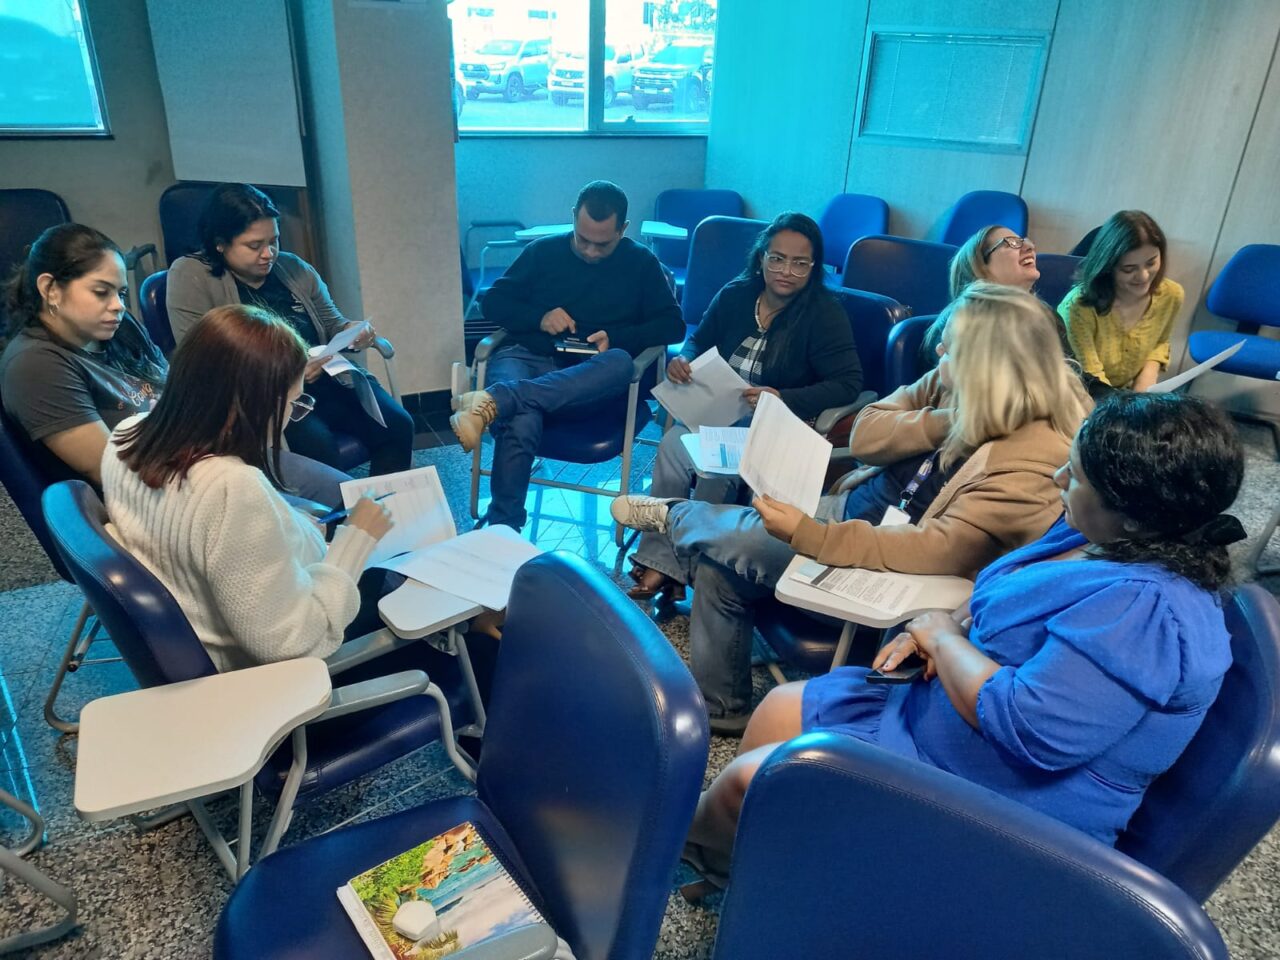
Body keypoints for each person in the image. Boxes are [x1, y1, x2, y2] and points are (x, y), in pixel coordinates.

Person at [682, 391, 1244, 883]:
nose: (1058, 479)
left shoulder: (1148, 612)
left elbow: (1031, 730)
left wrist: (942, 637)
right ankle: (744, 861)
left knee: (753, 781)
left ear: (1133, 512)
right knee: (780, 709)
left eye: (1075, 477)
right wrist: (953, 627)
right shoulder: (1098, 532)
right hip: (952, 730)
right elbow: (1010, 591)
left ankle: (677, 839)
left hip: (1011, 806)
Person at [612, 283, 1091, 733]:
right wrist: (953, 421)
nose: (940, 353)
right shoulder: (959, 386)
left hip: (890, 568)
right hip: (848, 513)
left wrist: (812, 535)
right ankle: (722, 709)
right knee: (721, 565)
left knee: (736, 543)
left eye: (952, 350)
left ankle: (674, 515)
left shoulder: (1034, 460)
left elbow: (935, 549)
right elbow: (866, 432)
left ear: (990, 367)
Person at [102, 304, 395, 672]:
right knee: (409, 596)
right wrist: (356, 539)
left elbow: (212, 540)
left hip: (196, 631)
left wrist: (289, 526)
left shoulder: (125, 435)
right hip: (262, 680)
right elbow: (292, 643)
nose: (291, 418)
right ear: (256, 405)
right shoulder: (231, 487)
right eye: (294, 403)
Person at [0, 223, 349, 507]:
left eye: (120, 293)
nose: (118, 306)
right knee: (328, 520)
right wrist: (222, 467)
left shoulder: (115, 328)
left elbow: (173, 389)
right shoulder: (35, 365)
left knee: (350, 497)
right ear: (50, 289)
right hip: (168, 497)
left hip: (204, 460)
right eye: (101, 292)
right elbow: (113, 471)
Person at [627, 212, 864, 602]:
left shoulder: (824, 313)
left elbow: (849, 382)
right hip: (719, 413)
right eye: (777, 258)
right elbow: (697, 340)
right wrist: (684, 360)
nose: (786, 271)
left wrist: (783, 396)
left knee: (713, 468)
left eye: (800, 263)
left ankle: (685, 567)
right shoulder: (736, 295)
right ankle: (662, 561)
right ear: (761, 258)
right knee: (671, 446)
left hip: (775, 425)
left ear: (814, 267)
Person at [450, 180, 684, 530]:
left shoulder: (641, 263)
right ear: (574, 217)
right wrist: (540, 317)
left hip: (588, 379)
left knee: (619, 362)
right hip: (528, 357)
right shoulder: (543, 252)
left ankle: (495, 401)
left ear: (623, 229)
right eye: (582, 238)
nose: (590, 251)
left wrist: (617, 337)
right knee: (523, 416)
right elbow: (494, 301)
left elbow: (672, 326)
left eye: (602, 244)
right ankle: (504, 530)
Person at [166, 183, 414, 476]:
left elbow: (332, 323)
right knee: (319, 451)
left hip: (326, 379)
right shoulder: (191, 276)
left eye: (274, 241)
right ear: (220, 243)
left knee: (398, 425)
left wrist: (352, 331)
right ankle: (334, 508)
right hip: (267, 398)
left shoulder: (293, 268)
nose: (269, 254)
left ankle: (381, 503)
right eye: (254, 246)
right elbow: (202, 362)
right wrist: (288, 372)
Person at [1058, 210, 1182, 392]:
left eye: (1151, 263)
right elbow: (1092, 379)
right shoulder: (1078, 307)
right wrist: (1131, 404)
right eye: (1129, 269)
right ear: (1108, 267)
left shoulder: (1171, 295)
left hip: (1125, 394)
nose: (1143, 276)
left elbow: (1159, 343)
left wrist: (1144, 386)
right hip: (1081, 392)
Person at [921, 224, 1043, 362]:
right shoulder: (957, 323)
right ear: (980, 265)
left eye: (1027, 241)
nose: (1030, 247)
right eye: (1013, 242)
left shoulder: (1047, 316)